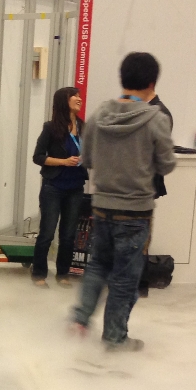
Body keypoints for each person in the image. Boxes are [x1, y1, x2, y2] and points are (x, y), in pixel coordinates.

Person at [71, 52, 175, 351]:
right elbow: (166, 165)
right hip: (135, 211)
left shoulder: (98, 115)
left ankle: (79, 320)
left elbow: (87, 159)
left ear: (122, 79)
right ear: (152, 83)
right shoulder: (156, 119)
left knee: (97, 266)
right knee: (125, 278)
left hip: (102, 206)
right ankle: (115, 339)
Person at [30, 87, 87, 288]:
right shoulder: (51, 127)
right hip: (53, 187)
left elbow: (91, 152)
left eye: (79, 96)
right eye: (75, 96)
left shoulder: (84, 127)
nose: (79, 99)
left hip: (76, 187)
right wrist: (63, 162)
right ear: (64, 100)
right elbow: (38, 157)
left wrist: (87, 158)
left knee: (69, 234)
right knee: (47, 232)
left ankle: (63, 273)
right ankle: (39, 274)